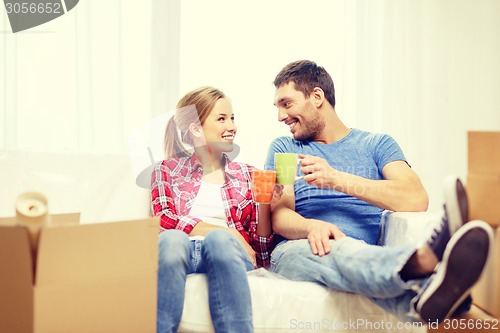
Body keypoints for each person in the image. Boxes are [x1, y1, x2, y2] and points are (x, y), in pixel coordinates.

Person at [265, 60, 494, 323]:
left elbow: (415, 197)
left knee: (351, 253)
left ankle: (429, 298)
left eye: (286, 103)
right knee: (329, 251)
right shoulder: (284, 148)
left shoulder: (377, 144)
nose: (280, 117)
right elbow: (280, 215)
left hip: (362, 252)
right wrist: (310, 228)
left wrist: (336, 178)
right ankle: (424, 259)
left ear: (317, 96)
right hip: (298, 249)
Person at [151, 86, 279, 333]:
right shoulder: (166, 170)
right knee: (173, 240)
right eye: (221, 119)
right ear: (196, 129)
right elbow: (162, 219)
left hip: (226, 252)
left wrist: (265, 206)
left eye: (232, 118)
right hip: (182, 249)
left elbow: (261, 254)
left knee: (219, 240)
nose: (232, 126)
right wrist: (227, 232)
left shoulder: (249, 174)